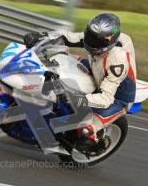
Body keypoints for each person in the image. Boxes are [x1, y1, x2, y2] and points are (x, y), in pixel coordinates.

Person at [23, 13, 137, 154]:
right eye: (90, 35)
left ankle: (95, 144)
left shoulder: (118, 62)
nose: (90, 41)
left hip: (116, 96)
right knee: (59, 60)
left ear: (109, 43)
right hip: (96, 69)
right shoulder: (96, 37)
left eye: (96, 40)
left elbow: (106, 98)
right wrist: (42, 36)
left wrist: (79, 98)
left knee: (85, 132)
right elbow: (67, 37)